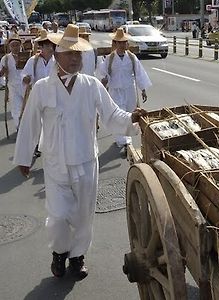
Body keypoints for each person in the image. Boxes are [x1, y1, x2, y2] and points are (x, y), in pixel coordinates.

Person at [13, 24, 147, 280]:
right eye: (69, 54)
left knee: (84, 214)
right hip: (55, 163)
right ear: (57, 54)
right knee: (59, 215)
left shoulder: (91, 85)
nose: (75, 59)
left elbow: (111, 115)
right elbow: (30, 124)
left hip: (86, 160)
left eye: (78, 54)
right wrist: (24, 157)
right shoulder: (42, 88)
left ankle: (77, 257)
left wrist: (132, 118)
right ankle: (59, 252)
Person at [99, 28, 151, 154]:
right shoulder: (110, 58)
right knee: (119, 113)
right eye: (119, 42)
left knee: (129, 112)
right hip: (115, 89)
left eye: (124, 42)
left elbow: (139, 74)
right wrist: (104, 80)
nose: (122, 45)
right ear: (115, 43)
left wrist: (143, 89)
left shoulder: (132, 58)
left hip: (129, 89)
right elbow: (102, 72)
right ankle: (122, 139)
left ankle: (127, 136)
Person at [0, 34, 24, 131]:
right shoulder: (5, 59)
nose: (15, 47)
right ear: (9, 47)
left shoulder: (27, 56)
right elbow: (0, 74)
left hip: (25, 86)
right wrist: (4, 71)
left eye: (17, 45)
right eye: (13, 45)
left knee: (27, 108)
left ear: (20, 46)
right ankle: (20, 128)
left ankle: (28, 126)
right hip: (13, 86)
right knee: (16, 108)